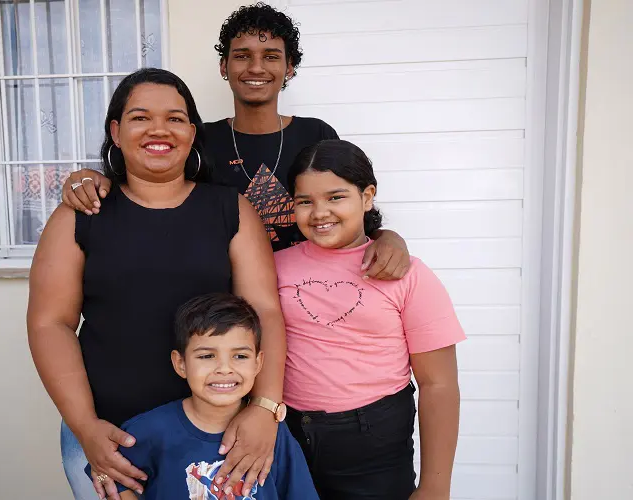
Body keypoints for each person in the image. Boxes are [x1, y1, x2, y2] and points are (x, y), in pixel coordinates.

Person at [28, 68, 286, 500]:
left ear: (191, 131)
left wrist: (264, 408)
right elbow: (49, 324)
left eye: (175, 118)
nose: (158, 130)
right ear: (115, 130)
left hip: (215, 441)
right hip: (110, 439)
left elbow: (265, 311)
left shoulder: (230, 210)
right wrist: (86, 427)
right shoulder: (80, 216)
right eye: (140, 117)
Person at [60, 3, 411, 280]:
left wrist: (389, 238)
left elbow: (352, 214)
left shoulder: (315, 135)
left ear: (289, 68)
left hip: (309, 292)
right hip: (225, 307)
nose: (256, 67)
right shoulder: (199, 139)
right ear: (223, 66)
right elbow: (149, 185)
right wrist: (95, 178)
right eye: (242, 55)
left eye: (271, 56)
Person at [276, 139, 465, 499]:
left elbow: (438, 384)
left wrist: (435, 486)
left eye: (336, 197)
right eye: (305, 201)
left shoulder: (407, 274)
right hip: (289, 439)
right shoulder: (275, 267)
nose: (319, 213)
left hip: (374, 445)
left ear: (367, 197)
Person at [84, 293, 319, 500]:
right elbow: (110, 473)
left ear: (258, 363)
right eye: (207, 356)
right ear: (181, 364)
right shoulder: (151, 430)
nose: (224, 368)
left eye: (240, 356)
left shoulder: (271, 433)